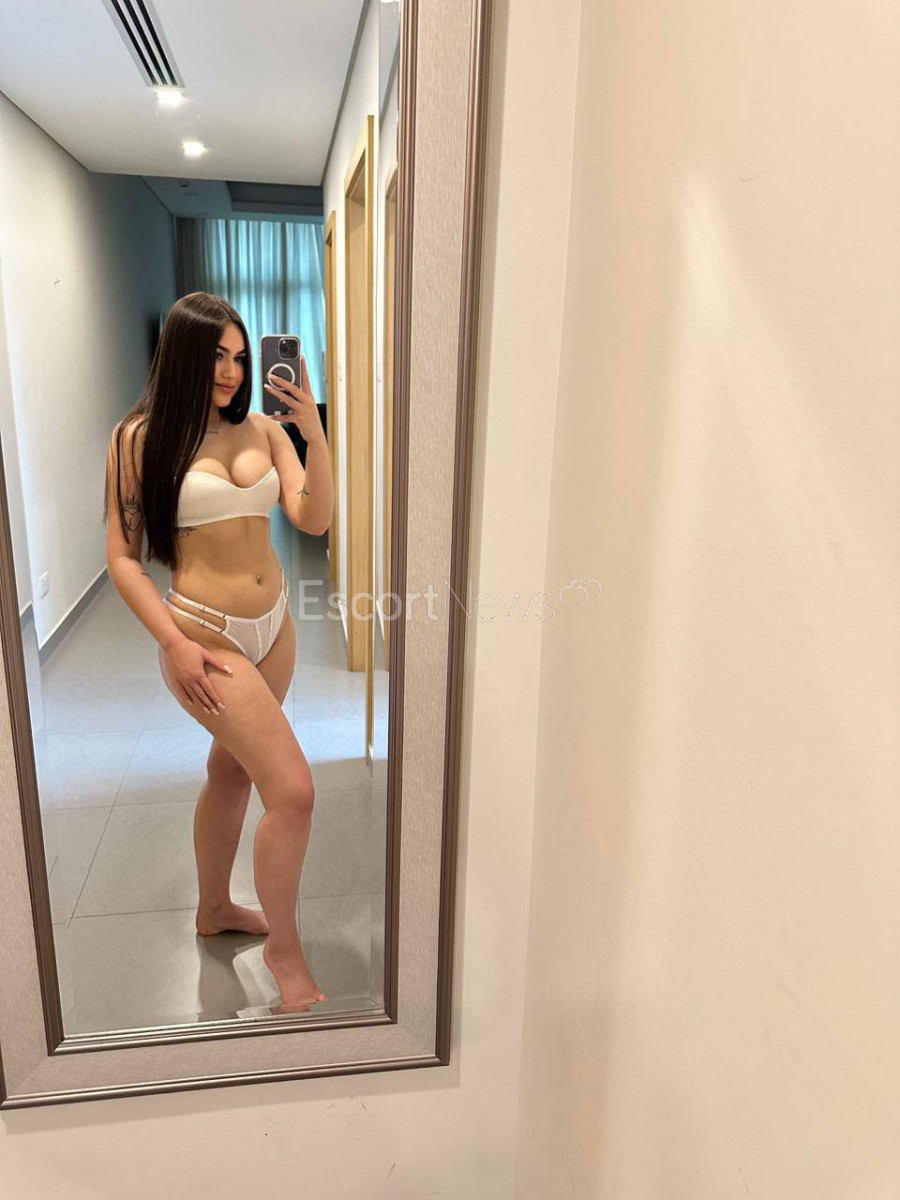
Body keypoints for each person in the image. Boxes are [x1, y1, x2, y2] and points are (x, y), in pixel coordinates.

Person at [103, 291, 334, 1011]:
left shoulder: (263, 429)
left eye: (238, 357)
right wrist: (171, 643)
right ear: (181, 357)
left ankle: (214, 909)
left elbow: (313, 518)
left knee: (231, 770)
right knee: (292, 791)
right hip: (205, 638)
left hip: (275, 627)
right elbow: (122, 556)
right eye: (215, 356)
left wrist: (313, 434)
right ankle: (285, 955)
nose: (231, 372)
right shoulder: (139, 439)